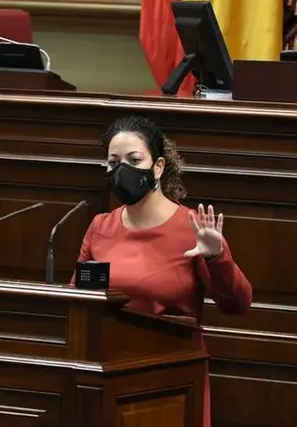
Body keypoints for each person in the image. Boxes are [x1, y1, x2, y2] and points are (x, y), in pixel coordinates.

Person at [73, 115, 252, 427]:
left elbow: (237, 304)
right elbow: (80, 300)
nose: (121, 170)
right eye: (113, 162)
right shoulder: (101, 227)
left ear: (157, 167)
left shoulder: (192, 228)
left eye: (134, 159)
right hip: (110, 376)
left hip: (170, 382)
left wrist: (217, 256)